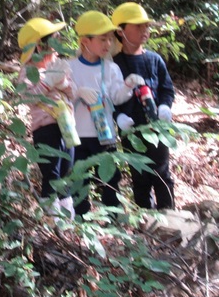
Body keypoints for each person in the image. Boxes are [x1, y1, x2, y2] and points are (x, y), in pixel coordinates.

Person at [68, 11, 144, 215]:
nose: (108, 44)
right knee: (79, 178)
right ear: (85, 41)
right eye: (102, 39)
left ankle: (113, 215)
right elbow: (63, 95)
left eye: (110, 39)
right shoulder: (70, 67)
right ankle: (81, 219)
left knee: (109, 179)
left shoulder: (111, 68)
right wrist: (77, 92)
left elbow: (117, 97)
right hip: (78, 134)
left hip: (105, 135)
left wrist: (128, 86)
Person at [112, 2, 176, 209]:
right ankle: (145, 223)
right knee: (140, 177)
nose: (144, 31)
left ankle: (170, 218)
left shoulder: (154, 60)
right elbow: (109, 96)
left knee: (162, 173)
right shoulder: (114, 64)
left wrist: (165, 106)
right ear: (121, 31)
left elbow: (167, 89)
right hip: (132, 132)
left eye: (146, 26)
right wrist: (119, 116)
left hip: (157, 129)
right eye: (138, 26)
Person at [17, 17, 76, 219]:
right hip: (46, 128)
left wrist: (64, 84)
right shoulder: (28, 70)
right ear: (40, 45)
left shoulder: (59, 67)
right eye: (52, 42)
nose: (56, 47)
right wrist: (48, 82)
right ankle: (51, 216)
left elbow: (74, 92)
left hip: (66, 125)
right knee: (52, 171)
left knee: (67, 169)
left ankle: (67, 214)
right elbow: (28, 96)